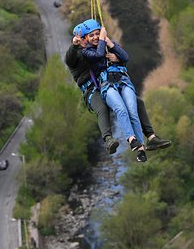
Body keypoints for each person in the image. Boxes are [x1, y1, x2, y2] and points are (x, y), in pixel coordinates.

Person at [65, 21, 171, 157]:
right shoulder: (78, 55)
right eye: (86, 38)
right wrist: (75, 45)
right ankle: (108, 139)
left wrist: (117, 58)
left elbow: (114, 59)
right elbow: (70, 59)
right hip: (92, 89)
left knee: (137, 102)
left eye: (95, 35)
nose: (89, 41)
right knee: (102, 108)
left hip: (107, 82)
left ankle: (151, 137)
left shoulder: (96, 48)